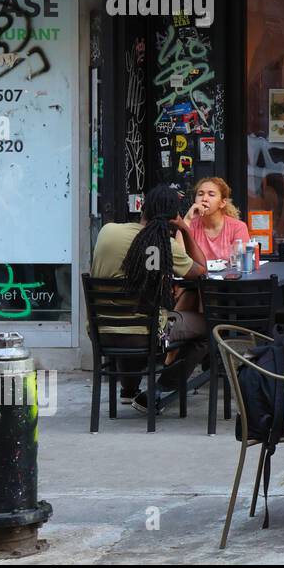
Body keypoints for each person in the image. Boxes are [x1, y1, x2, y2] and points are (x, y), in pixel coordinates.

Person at [90, 184, 209, 413]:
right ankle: (159, 391)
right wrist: (185, 229)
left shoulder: (108, 231)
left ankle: (128, 389)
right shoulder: (166, 246)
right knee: (208, 328)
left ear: (143, 207)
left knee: (131, 316)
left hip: (102, 331)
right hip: (146, 335)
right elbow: (201, 270)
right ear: (172, 217)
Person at [186, 176, 252, 264]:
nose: (204, 199)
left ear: (222, 203)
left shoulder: (238, 227)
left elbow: (240, 262)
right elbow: (179, 259)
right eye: (200, 194)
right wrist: (187, 219)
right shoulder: (190, 224)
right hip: (198, 277)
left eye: (211, 194)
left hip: (228, 276)